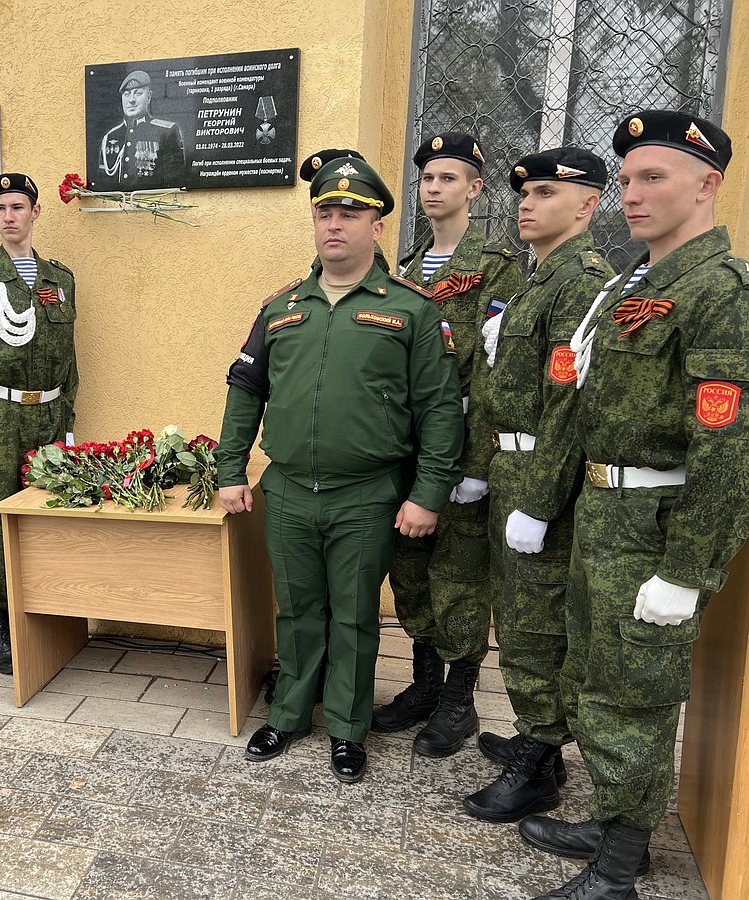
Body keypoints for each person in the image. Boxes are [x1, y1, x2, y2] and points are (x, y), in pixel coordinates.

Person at [523, 111, 749, 900]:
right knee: (594, 676)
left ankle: (619, 870)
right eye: (623, 180)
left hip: (655, 527)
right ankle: (616, 825)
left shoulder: (720, 291)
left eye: (652, 177)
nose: (631, 194)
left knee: (634, 696)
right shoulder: (640, 285)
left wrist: (689, 569)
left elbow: (727, 444)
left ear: (707, 184)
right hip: (602, 514)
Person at [217, 155, 463, 783]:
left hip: (367, 494)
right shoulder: (281, 307)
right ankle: (291, 713)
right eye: (325, 213)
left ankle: (349, 729)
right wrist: (229, 469)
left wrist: (428, 492)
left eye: (350, 214)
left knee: (354, 614)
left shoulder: (411, 309)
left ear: (376, 225)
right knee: (297, 610)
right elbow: (246, 390)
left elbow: (439, 408)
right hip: (291, 489)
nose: (335, 225)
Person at [462, 149, 615, 824]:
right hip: (510, 467)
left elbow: (569, 406)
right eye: (524, 192)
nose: (526, 202)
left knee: (536, 626)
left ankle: (540, 760)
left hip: (539, 479)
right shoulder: (539, 279)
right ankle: (537, 738)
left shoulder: (582, 280)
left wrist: (541, 501)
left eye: (547, 192)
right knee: (519, 616)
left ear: (588, 206)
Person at [373, 133, 525, 759]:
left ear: (475, 188)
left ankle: (460, 698)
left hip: (462, 448)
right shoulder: (403, 267)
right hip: (407, 448)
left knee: (460, 576)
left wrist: (479, 463)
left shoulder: (498, 264)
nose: (433, 188)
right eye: (427, 178)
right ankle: (424, 684)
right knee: (410, 571)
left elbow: (500, 370)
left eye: (448, 178)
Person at [0, 172, 79, 675]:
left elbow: (68, 361)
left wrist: (67, 423)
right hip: (1, 417)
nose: (8, 217)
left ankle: (43, 615)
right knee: (2, 520)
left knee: (46, 516)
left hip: (47, 413)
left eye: (17, 207)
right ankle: (1, 622)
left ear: (35, 213)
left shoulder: (59, 279)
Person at [97, 70, 186, 189]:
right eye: (127, 94)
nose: (131, 100)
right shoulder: (110, 137)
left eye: (138, 93)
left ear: (149, 97)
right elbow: (103, 185)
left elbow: (174, 183)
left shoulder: (167, 132)